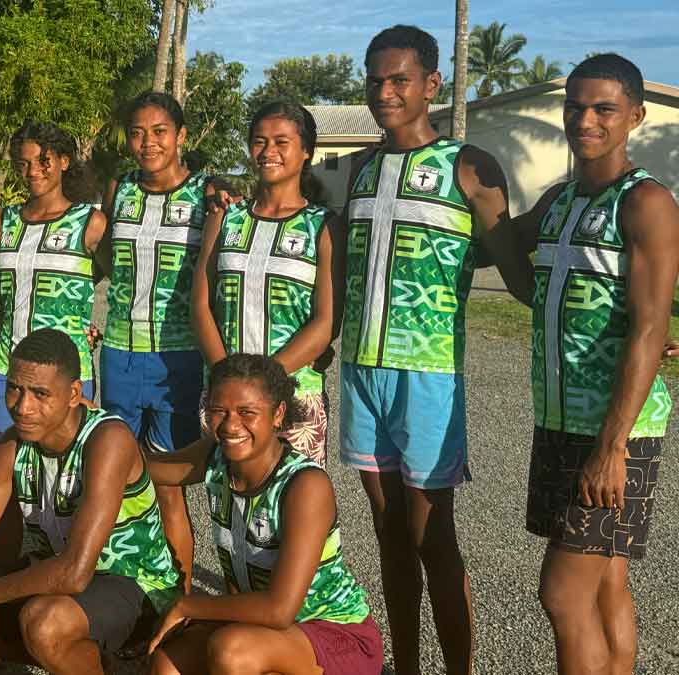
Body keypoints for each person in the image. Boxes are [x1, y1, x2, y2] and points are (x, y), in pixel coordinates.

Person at [334, 25, 532, 675]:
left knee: (431, 536)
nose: (384, 92)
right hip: (361, 371)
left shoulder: (467, 167)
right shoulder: (360, 168)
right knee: (388, 534)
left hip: (428, 375)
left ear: (432, 84)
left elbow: (516, 271)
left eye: (400, 80)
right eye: (375, 80)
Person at [507, 54, 678, 675]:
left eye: (604, 108)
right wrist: (472, 192)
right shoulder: (560, 199)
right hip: (559, 419)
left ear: (635, 116)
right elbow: (507, 252)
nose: (585, 120)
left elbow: (650, 327)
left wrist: (612, 445)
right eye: (575, 106)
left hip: (615, 430)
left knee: (562, 593)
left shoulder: (645, 202)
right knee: (606, 582)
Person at [0, 328, 180, 675]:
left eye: (40, 393)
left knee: (43, 624)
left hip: (137, 587)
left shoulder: (108, 439)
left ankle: (128, 663)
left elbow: (75, 573)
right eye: (14, 388)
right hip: (61, 581)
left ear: (74, 394)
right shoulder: (12, 445)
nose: (22, 407)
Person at [146, 353, 381, 675]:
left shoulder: (304, 485)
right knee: (168, 664)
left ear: (278, 414)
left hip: (333, 631)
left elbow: (280, 610)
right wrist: (93, 426)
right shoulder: (216, 456)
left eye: (247, 412)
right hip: (258, 627)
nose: (230, 425)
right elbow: (150, 467)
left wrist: (189, 605)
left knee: (232, 652)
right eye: (218, 411)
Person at [97, 91, 213, 591]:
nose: (148, 143)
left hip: (177, 358)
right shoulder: (119, 189)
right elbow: (102, 259)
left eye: (160, 131)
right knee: (114, 478)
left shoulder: (208, 194)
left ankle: (178, 600)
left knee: (168, 488)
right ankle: (121, 593)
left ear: (181, 136)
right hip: (119, 352)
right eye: (137, 133)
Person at [191, 100, 335, 466]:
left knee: (296, 496)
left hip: (294, 395)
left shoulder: (323, 226)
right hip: (225, 397)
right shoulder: (224, 217)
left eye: (281, 142)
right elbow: (201, 305)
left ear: (306, 151)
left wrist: (264, 384)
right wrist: (228, 381)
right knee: (229, 495)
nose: (268, 151)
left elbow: (325, 323)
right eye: (259, 141)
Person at [0, 120, 107, 446]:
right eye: (23, 164)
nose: (33, 171)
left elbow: (120, 278)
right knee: (6, 462)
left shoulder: (89, 222)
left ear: (64, 161)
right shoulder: (4, 220)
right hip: (9, 367)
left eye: (43, 161)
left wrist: (79, 315)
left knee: (66, 467)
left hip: (66, 372)